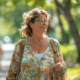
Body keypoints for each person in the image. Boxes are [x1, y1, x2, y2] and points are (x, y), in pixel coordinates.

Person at [6, 8, 67, 80]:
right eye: (41, 20)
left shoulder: (54, 44)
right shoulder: (21, 45)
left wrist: (60, 67)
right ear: (31, 24)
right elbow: (11, 74)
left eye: (46, 20)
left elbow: (63, 74)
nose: (45, 23)